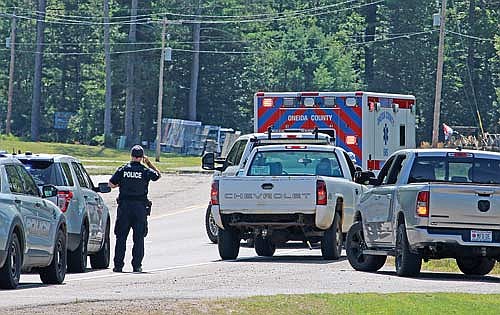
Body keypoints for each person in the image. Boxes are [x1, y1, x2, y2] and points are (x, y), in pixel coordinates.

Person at [108, 145, 161, 273]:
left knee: (121, 237)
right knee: (139, 238)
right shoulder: (145, 170)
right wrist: (148, 163)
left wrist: (123, 184)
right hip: (139, 208)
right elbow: (158, 175)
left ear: (131, 155)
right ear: (142, 157)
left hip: (124, 207)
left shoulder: (123, 169)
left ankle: (118, 266)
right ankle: (137, 265)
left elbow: (111, 184)